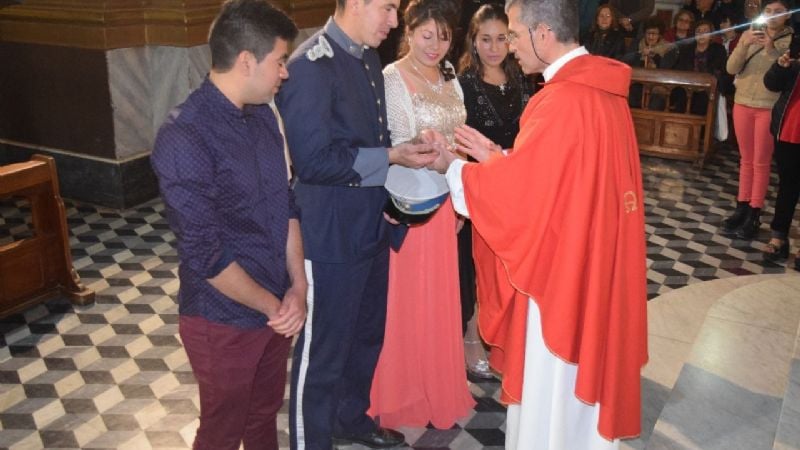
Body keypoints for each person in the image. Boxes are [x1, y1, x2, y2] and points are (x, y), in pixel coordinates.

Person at [429, 0, 649, 447]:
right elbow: (561, 179)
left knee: (555, 396)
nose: (510, 48)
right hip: (591, 257)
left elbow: (526, 198)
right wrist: (500, 158)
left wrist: (455, 167)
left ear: (543, 33)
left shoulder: (562, 99)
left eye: (513, 34)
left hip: (562, 275)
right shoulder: (600, 90)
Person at [275, 0, 440, 447]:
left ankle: (351, 419)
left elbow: (369, 140)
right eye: (387, 8)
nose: (393, 22)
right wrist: (390, 156)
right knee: (324, 353)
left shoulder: (366, 56)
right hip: (329, 234)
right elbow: (313, 162)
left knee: (365, 337)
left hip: (371, 225)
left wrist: (403, 152)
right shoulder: (310, 65)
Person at [150, 1, 305, 449]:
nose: (284, 73)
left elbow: (287, 205)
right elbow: (205, 252)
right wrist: (272, 305)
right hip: (222, 318)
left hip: (274, 306)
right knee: (222, 432)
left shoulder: (262, 116)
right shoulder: (186, 134)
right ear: (246, 61)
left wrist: (298, 287)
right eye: (280, 61)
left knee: (261, 419)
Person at [368, 0, 476, 429]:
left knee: (440, 299)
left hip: (447, 197)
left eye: (444, 36)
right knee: (406, 302)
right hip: (410, 205)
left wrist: (463, 186)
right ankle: (402, 392)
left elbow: (461, 133)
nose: (436, 46)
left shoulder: (451, 75)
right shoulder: (392, 79)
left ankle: (438, 385)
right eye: (427, 35)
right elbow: (391, 143)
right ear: (408, 33)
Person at [456, 2, 534, 379]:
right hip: (479, 188)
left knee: (509, 268)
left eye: (502, 38)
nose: (494, 47)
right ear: (473, 41)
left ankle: (507, 339)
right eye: (485, 39)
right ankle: (472, 336)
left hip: (517, 189)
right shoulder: (463, 84)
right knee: (476, 269)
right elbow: (459, 141)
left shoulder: (523, 79)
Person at [721, 0, 793, 239]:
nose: (772, 16)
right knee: (746, 160)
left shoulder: (790, 41)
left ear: (787, 16)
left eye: (778, 12)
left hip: (768, 105)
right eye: (768, 11)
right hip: (743, 102)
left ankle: (754, 212)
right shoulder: (748, 34)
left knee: (761, 162)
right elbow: (731, 68)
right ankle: (741, 207)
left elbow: (785, 74)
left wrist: (771, 49)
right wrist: (744, 45)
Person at [762, 45, 800, 268]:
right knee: (787, 186)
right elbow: (771, 83)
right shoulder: (794, 55)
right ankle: (779, 238)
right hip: (790, 128)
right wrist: (781, 66)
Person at [661, 20, 728, 114]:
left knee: (703, 101)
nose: (701, 34)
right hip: (687, 88)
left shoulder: (718, 50)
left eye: (705, 31)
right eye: (698, 31)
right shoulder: (686, 49)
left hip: (707, 91)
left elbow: (719, 71)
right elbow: (680, 69)